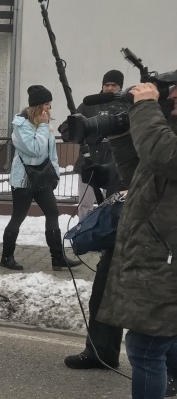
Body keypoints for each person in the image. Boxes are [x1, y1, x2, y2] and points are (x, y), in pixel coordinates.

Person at [85, 78, 177, 399]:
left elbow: (162, 156)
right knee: (163, 342)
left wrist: (145, 108)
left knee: (145, 346)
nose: (171, 95)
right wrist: (124, 135)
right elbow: (140, 171)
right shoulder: (166, 133)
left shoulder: (165, 137)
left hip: (165, 259)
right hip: (158, 253)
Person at [0, 85, 81, 272]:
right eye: (46, 104)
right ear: (36, 107)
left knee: (52, 213)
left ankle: (57, 258)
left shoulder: (44, 125)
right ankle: (6, 256)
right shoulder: (20, 126)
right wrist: (44, 127)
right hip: (24, 180)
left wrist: (55, 174)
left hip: (42, 178)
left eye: (50, 104)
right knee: (18, 217)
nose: (49, 109)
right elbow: (34, 150)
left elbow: (51, 153)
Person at [63, 144, 125, 370]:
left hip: (158, 235)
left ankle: (171, 369)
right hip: (123, 231)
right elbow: (126, 167)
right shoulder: (140, 128)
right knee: (102, 293)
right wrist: (103, 172)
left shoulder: (163, 129)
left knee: (156, 304)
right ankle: (101, 352)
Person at [68, 70, 125, 220]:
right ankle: (83, 234)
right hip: (88, 161)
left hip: (114, 165)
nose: (110, 88)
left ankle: (108, 236)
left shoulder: (124, 105)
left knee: (113, 203)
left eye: (114, 85)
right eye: (107, 84)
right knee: (85, 204)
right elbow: (71, 126)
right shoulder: (89, 104)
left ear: (120, 87)